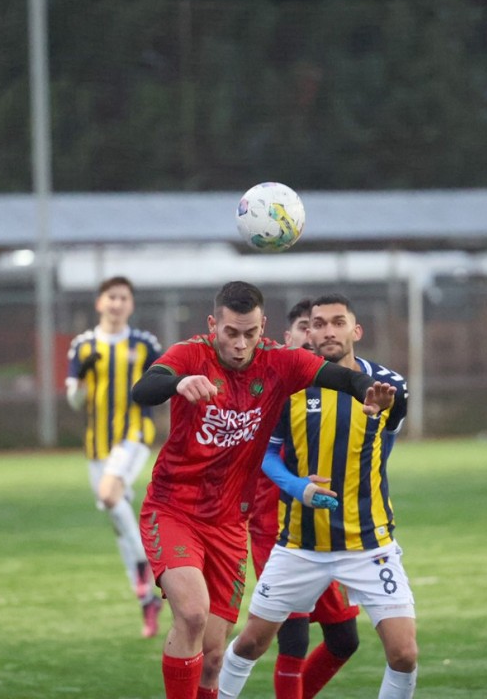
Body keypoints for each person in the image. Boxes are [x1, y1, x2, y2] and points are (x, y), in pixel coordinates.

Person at [131, 281, 397, 699]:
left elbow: (340, 376)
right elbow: (143, 389)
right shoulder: (190, 354)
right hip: (173, 509)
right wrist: (178, 383)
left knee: (215, 655)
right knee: (194, 615)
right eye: (231, 333)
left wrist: (367, 390)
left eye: (250, 334)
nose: (240, 344)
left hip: (230, 523)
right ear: (212, 324)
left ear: (263, 327)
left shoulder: (280, 361)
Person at [218, 294, 417, 699]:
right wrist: (298, 488)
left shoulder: (388, 385)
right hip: (299, 547)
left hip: (368, 543)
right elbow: (269, 455)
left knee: (404, 654)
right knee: (251, 643)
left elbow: (385, 447)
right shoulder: (289, 387)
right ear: (307, 330)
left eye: (338, 322)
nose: (327, 331)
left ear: (355, 330)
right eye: (318, 323)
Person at [247, 299, 361, 698]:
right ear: (288, 337)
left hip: (327, 532)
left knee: (345, 639)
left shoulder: (333, 385)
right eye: (303, 326)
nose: (313, 335)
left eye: (318, 327)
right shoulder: (274, 385)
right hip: (277, 528)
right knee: (292, 639)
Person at [65, 275, 163, 637]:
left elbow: (164, 383)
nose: (117, 303)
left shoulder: (145, 343)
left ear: (131, 305)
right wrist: (83, 381)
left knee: (109, 496)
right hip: (97, 446)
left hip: (134, 436)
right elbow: (73, 399)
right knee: (118, 521)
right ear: (99, 303)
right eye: (111, 297)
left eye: (123, 298)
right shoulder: (83, 345)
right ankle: (146, 601)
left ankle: (152, 567)